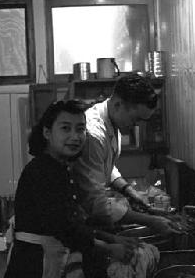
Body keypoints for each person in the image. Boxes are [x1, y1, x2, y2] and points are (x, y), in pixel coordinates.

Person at [1, 100, 137, 278]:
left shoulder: (60, 167)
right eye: (66, 128)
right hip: (33, 269)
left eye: (80, 129)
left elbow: (73, 222)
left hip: (45, 263)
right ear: (47, 133)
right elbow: (63, 228)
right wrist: (109, 248)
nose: (75, 137)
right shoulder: (42, 171)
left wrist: (113, 238)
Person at [73, 74, 179, 234]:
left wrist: (129, 191)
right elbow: (97, 204)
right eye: (135, 118)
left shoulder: (113, 120)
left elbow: (106, 165)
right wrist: (151, 220)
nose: (136, 125)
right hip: (78, 223)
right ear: (118, 104)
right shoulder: (93, 134)